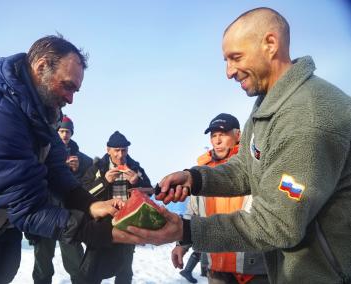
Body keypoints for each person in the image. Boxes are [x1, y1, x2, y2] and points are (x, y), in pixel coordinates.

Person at [123, 7, 351, 284]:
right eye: (226, 60)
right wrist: (195, 178)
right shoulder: (269, 107)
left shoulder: (307, 119)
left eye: (235, 58)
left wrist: (185, 231)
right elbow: (245, 168)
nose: (228, 72)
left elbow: (278, 224)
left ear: (270, 44)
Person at [0, 35, 122, 284]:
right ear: (41, 67)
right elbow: (27, 208)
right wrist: (100, 232)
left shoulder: (38, 111)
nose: (71, 99)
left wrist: (88, 204)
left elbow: (54, 168)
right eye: (68, 86)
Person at [172, 113, 267, 284]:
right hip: (216, 268)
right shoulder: (200, 173)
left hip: (253, 268)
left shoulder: (254, 164)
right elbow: (192, 212)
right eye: (213, 135)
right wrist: (181, 245)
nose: (217, 141)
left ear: (238, 135)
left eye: (222, 134)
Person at [78, 130, 152, 283]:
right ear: (108, 150)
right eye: (116, 150)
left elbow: (149, 192)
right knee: (92, 268)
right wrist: (104, 181)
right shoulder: (97, 168)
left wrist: (136, 183)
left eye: (123, 150)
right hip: (101, 225)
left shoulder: (135, 168)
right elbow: (83, 194)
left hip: (127, 223)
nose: (120, 154)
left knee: (124, 269)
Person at [31, 115, 93, 284]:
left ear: (72, 134)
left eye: (68, 132)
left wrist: (77, 172)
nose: (65, 135)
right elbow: (33, 179)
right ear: (56, 132)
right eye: (61, 131)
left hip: (70, 217)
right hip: (45, 214)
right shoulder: (42, 154)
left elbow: (88, 188)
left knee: (76, 263)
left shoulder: (84, 160)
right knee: (42, 264)